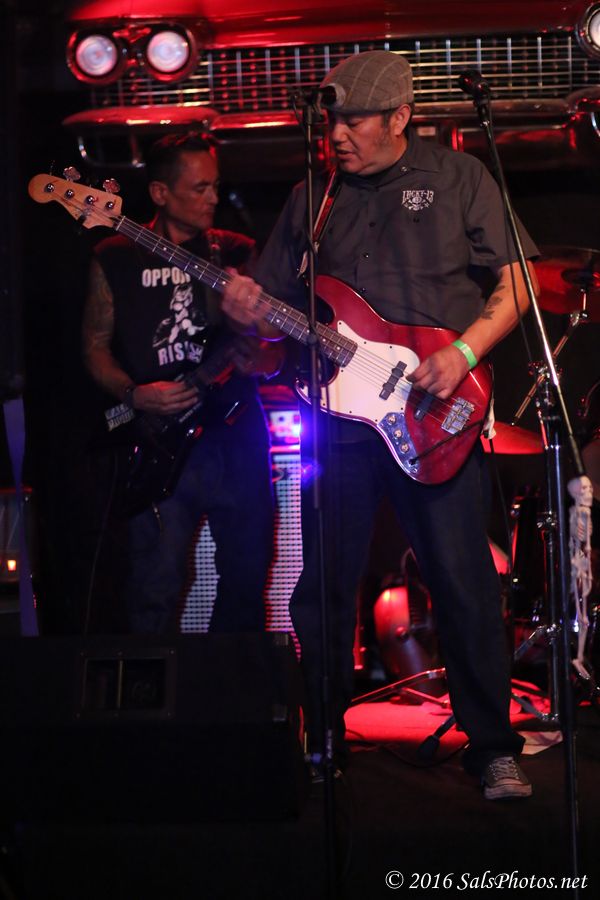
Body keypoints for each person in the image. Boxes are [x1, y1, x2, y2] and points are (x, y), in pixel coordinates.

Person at [221, 50, 540, 799]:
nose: (336, 134)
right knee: (323, 585)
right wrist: (244, 311)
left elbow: (519, 280)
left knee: (463, 583)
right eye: (331, 120)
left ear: (400, 117)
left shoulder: (459, 177)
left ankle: (492, 748)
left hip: (436, 413)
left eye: (355, 121)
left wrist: (463, 353)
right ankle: (324, 737)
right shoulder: (313, 197)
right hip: (337, 417)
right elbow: (273, 312)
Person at [82, 133, 282, 634]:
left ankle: (231, 681)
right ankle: (153, 685)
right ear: (160, 193)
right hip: (159, 444)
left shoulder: (234, 252)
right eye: (199, 188)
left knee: (246, 578)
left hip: (235, 437)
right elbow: (94, 347)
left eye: (215, 185)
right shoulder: (116, 256)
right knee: (154, 588)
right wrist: (134, 394)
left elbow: (273, 345)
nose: (213, 197)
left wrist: (255, 339)